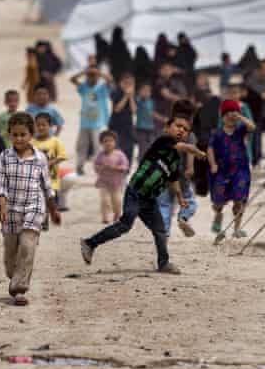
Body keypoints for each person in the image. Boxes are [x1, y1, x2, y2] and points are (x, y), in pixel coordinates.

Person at [79, 114, 192, 274]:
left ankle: (163, 263)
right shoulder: (163, 141)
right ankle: (90, 243)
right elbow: (181, 146)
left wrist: (180, 197)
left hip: (150, 199)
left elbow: (173, 179)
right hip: (136, 192)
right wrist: (193, 149)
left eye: (185, 129)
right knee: (125, 224)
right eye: (178, 126)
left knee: (160, 230)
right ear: (167, 128)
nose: (181, 130)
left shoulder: (175, 160)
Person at [0, 111, 60, 306]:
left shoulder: (40, 158)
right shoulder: (4, 157)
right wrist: (2, 208)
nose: (19, 138)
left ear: (31, 135)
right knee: (10, 255)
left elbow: (47, 186)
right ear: (9, 135)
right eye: (15, 134)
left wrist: (53, 209)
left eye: (23, 134)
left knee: (27, 246)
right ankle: (14, 276)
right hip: (11, 211)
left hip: (34, 207)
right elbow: (0, 185)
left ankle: (20, 289)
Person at [209, 100, 257, 244]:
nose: (230, 117)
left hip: (240, 170)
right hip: (222, 171)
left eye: (233, 114)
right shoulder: (217, 133)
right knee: (218, 201)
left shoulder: (240, 129)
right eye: (227, 114)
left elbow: (252, 127)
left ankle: (236, 228)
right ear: (222, 116)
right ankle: (218, 215)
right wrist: (212, 164)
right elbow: (210, 149)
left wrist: (240, 117)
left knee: (240, 199)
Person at [158, 100, 205, 239]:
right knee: (189, 201)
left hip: (164, 175)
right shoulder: (189, 134)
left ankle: (164, 232)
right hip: (181, 176)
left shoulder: (165, 131)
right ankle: (183, 218)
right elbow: (190, 151)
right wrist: (190, 168)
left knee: (164, 204)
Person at [70, 65, 111, 174]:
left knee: (98, 147)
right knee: (81, 145)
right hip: (84, 123)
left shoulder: (101, 88)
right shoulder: (84, 87)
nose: (92, 77)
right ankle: (80, 166)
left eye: (94, 75)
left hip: (97, 124)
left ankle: (99, 167)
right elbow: (72, 79)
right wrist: (84, 72)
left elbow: (110, 80)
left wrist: (99, 73)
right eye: (90, 75)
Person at [32, 112, 67, 230]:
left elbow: (62, 156)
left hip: (52, 179)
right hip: (35, 179)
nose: (41, 127)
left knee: (50, 200)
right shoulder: (32, 142)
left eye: (44, 125)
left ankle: (48, 216)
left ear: (50, 126)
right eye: (38, 125)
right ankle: (44, 220)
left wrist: (50, 163)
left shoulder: (55, 141)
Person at [192, 73, 220, 197]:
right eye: (199, 79)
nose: (201, 82)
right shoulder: (193, 96)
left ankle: (208, 186)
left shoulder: (214, 99)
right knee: (199, 163)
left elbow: (215, 119)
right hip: (198, 134)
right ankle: (201, 187)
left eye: (203, 79)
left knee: (209, 161)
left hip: (208, 134)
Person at [94, 131, 129, 224]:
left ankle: (117, 215)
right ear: (101, 143)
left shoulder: (120, 154)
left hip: (116, 183)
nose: (108, 143)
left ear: (115, 142)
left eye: (111, 141)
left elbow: (125, 167)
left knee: (117, 201)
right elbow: (96, 166)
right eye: (105, 141)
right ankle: (105, 217)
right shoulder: (100, 155)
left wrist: (115, 168)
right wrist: (101, 168)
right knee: (105, 200)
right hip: (103, 182)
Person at [245, 60, 265, 167]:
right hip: (256, 115)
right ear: (259, 70)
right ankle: (255, 160)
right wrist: (261, 96)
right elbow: (248, 98)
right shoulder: (251, 83)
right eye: (264, 69)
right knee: (256, 139)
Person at [109, 72, 137, 165]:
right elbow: (117, 109)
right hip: (115, 125)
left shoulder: (132, 95)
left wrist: (131, 97)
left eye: (131, 83)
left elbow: (134, 110)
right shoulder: (115, 92)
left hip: (128, 126)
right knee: (116, 148)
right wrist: (126, 96)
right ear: (121, 83)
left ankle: (127, 169)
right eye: (127, 83)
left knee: (129, 149)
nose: (129, 86)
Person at [153, 62, 187, 131]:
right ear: (160, 71)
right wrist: (179, 98)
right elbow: (167, 95)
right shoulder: (158, 82)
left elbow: (184, 95)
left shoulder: (175, 82)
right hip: (160, 115)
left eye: (169, 69)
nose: (167, 71)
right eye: (165, 69)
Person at [135, 82, 156, 159]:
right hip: (141, 127)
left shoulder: (151, 101)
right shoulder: (137, 100)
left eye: (148, 91)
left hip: (151, 127)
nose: (146, 93)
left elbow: (152, 113)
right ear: (139, 91)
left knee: (150, 147)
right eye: (144, 90)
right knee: (142, 148)